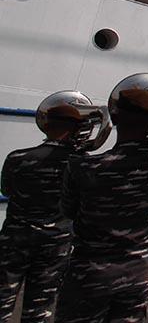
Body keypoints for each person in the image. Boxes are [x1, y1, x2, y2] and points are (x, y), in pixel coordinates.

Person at [54, 89, 148, 322]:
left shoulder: (83, 167)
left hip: (90, 274)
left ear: (115, 118)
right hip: (139, 275)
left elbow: (68, 211)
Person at [0, 103, 84, 322]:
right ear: (76, 130)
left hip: (14, 240)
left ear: (45, 126)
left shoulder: (17, 158)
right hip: (55, 245)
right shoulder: (81, 164)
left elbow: (6, 190)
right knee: (39, 309)